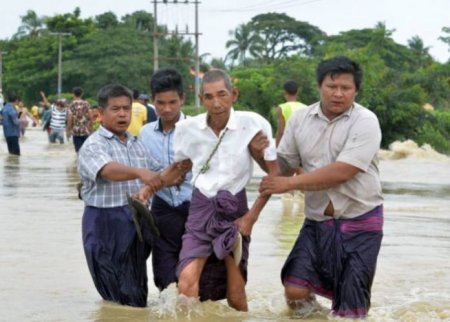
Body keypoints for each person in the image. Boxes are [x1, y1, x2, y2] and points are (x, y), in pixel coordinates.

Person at [259, 56, 384, 318]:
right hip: (317, 221)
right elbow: (283, 166)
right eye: (332, 86)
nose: (338, 93)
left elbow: (343, 171)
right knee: (295, 289)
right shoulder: (300, 119)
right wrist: (260, 155)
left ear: (356, 91)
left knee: (351, 310)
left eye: (346, 88)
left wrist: (290, 183)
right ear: (319, 86)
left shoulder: (366, 121)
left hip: (359, 221)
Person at [171, 69, 278, 311]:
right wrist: (149, 187)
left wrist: (251, 217)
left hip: (235, 208)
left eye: (222, 95)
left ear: (234, 94)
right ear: (201, 99)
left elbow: (274, 174)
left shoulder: (253, 124)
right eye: (209, 97)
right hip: (200, 208)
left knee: (236, 293)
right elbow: (179, 168)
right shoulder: (187, 129)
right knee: (186, 282)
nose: (216, 103)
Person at [77, 84, 185, 307]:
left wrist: (179, 170)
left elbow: (159, 173)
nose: (123, 114)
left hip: (135, 223)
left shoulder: (137, 144)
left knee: (135, 292)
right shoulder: (93, 145)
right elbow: (107, 171)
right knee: (113, 293)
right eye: (115, 109)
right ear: (100, 114)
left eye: (126, 108)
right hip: (103, 224)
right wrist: (140, 173)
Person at [139, 68, 192, 292]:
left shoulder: (197, 129)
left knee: (193, 276)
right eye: (160, 103)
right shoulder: (145, 133)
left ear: (182, 99)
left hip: (195, 208)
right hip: (162, 209)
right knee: (164, 278)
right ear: (153, 101)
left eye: (172, 102)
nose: (167, 109)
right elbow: (142, 172)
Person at [275, 80, 307, 146]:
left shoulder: (282, 108)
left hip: (289, 144)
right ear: (297, 92)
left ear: (284, 92)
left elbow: (280, 131)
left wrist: (277, 147)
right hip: (303, 144)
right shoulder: (305, 107)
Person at [67, 87, 92, 153]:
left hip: (76, 131)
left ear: (73, 94)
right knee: (86, 151)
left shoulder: (71, 104)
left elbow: (70, 118)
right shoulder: (86, 103)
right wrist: (90, 128)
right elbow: (90, 117)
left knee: (78, 151)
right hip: (85, 130)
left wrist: (68, 130)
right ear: (82, 94)